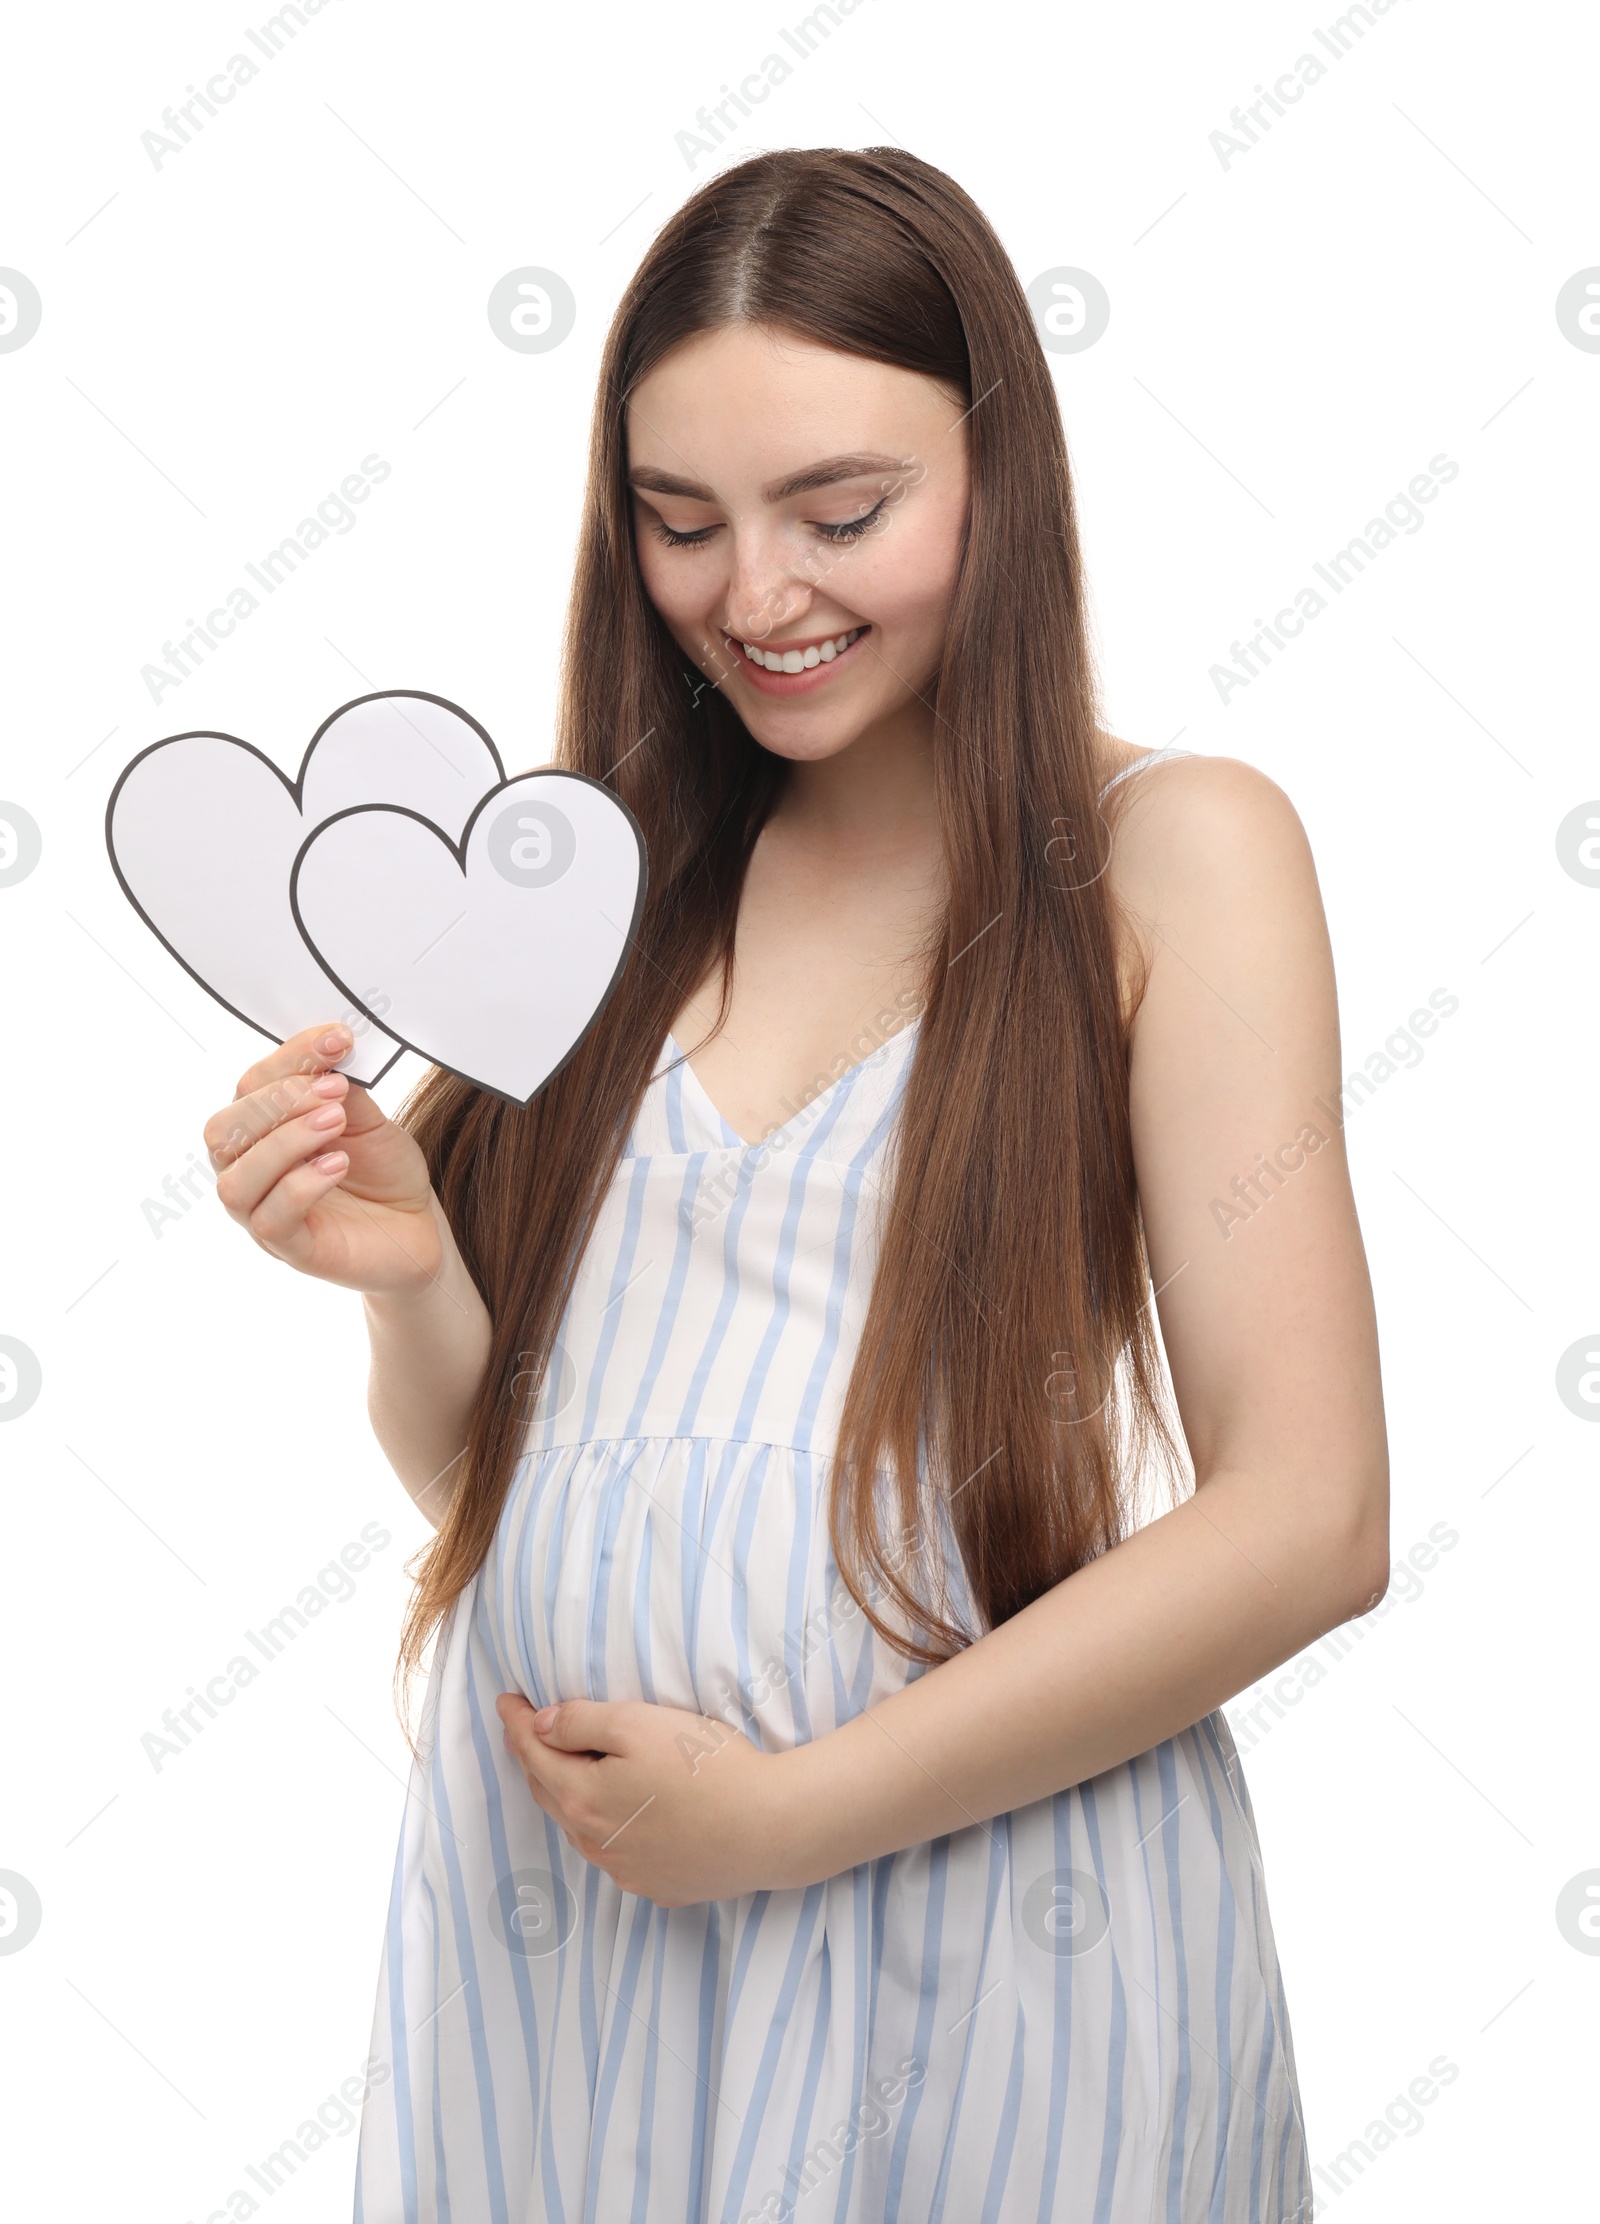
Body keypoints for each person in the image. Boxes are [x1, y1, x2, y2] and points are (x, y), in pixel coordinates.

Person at [204, 147, 1387, 2223]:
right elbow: (530, 1472)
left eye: (840, 513)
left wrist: (791, 1816)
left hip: (985, 1935)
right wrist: (408, 1275)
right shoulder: (604, 876)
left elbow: (1310, 1516)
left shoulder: (1169, 852)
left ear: (998, 471)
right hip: (574, 1946)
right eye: (680, 523)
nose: (756, 594)